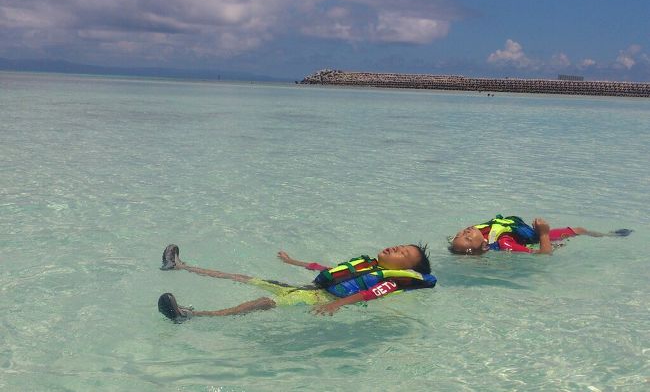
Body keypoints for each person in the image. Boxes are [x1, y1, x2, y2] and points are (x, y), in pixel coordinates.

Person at [157, 243, 436, 322]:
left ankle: (190, 315)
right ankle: (180, 266)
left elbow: (372, 294)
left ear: (406, 268)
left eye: (403, 253)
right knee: (244, 277)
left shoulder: (394, 282)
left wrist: (337, 304)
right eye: (398, 245)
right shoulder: (370, 266)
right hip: (313, 289)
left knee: (265, 302)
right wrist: (294, 263)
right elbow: (329, 270)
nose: (395, 248)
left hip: (320, 299)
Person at [449, 214, 633, 255]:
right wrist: (544, 234)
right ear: (483, 245)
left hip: (524, 236)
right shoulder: (505, 244)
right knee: (579, 231)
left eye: (459, 235)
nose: (465, 232)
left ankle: (608, 235)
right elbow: (545, 256)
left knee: (580, 230)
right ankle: (611, 236)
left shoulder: (482, 235)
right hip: (538, 240)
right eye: (467, 238)